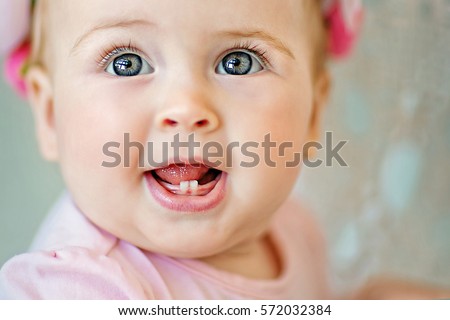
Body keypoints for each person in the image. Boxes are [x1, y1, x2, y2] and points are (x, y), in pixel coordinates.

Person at [0, 0, 447, 299]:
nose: (186, 108)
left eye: (238, 62)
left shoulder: (295, 229)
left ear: (314, 112)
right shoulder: (76, 289)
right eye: (126, 63)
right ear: (50, 113)